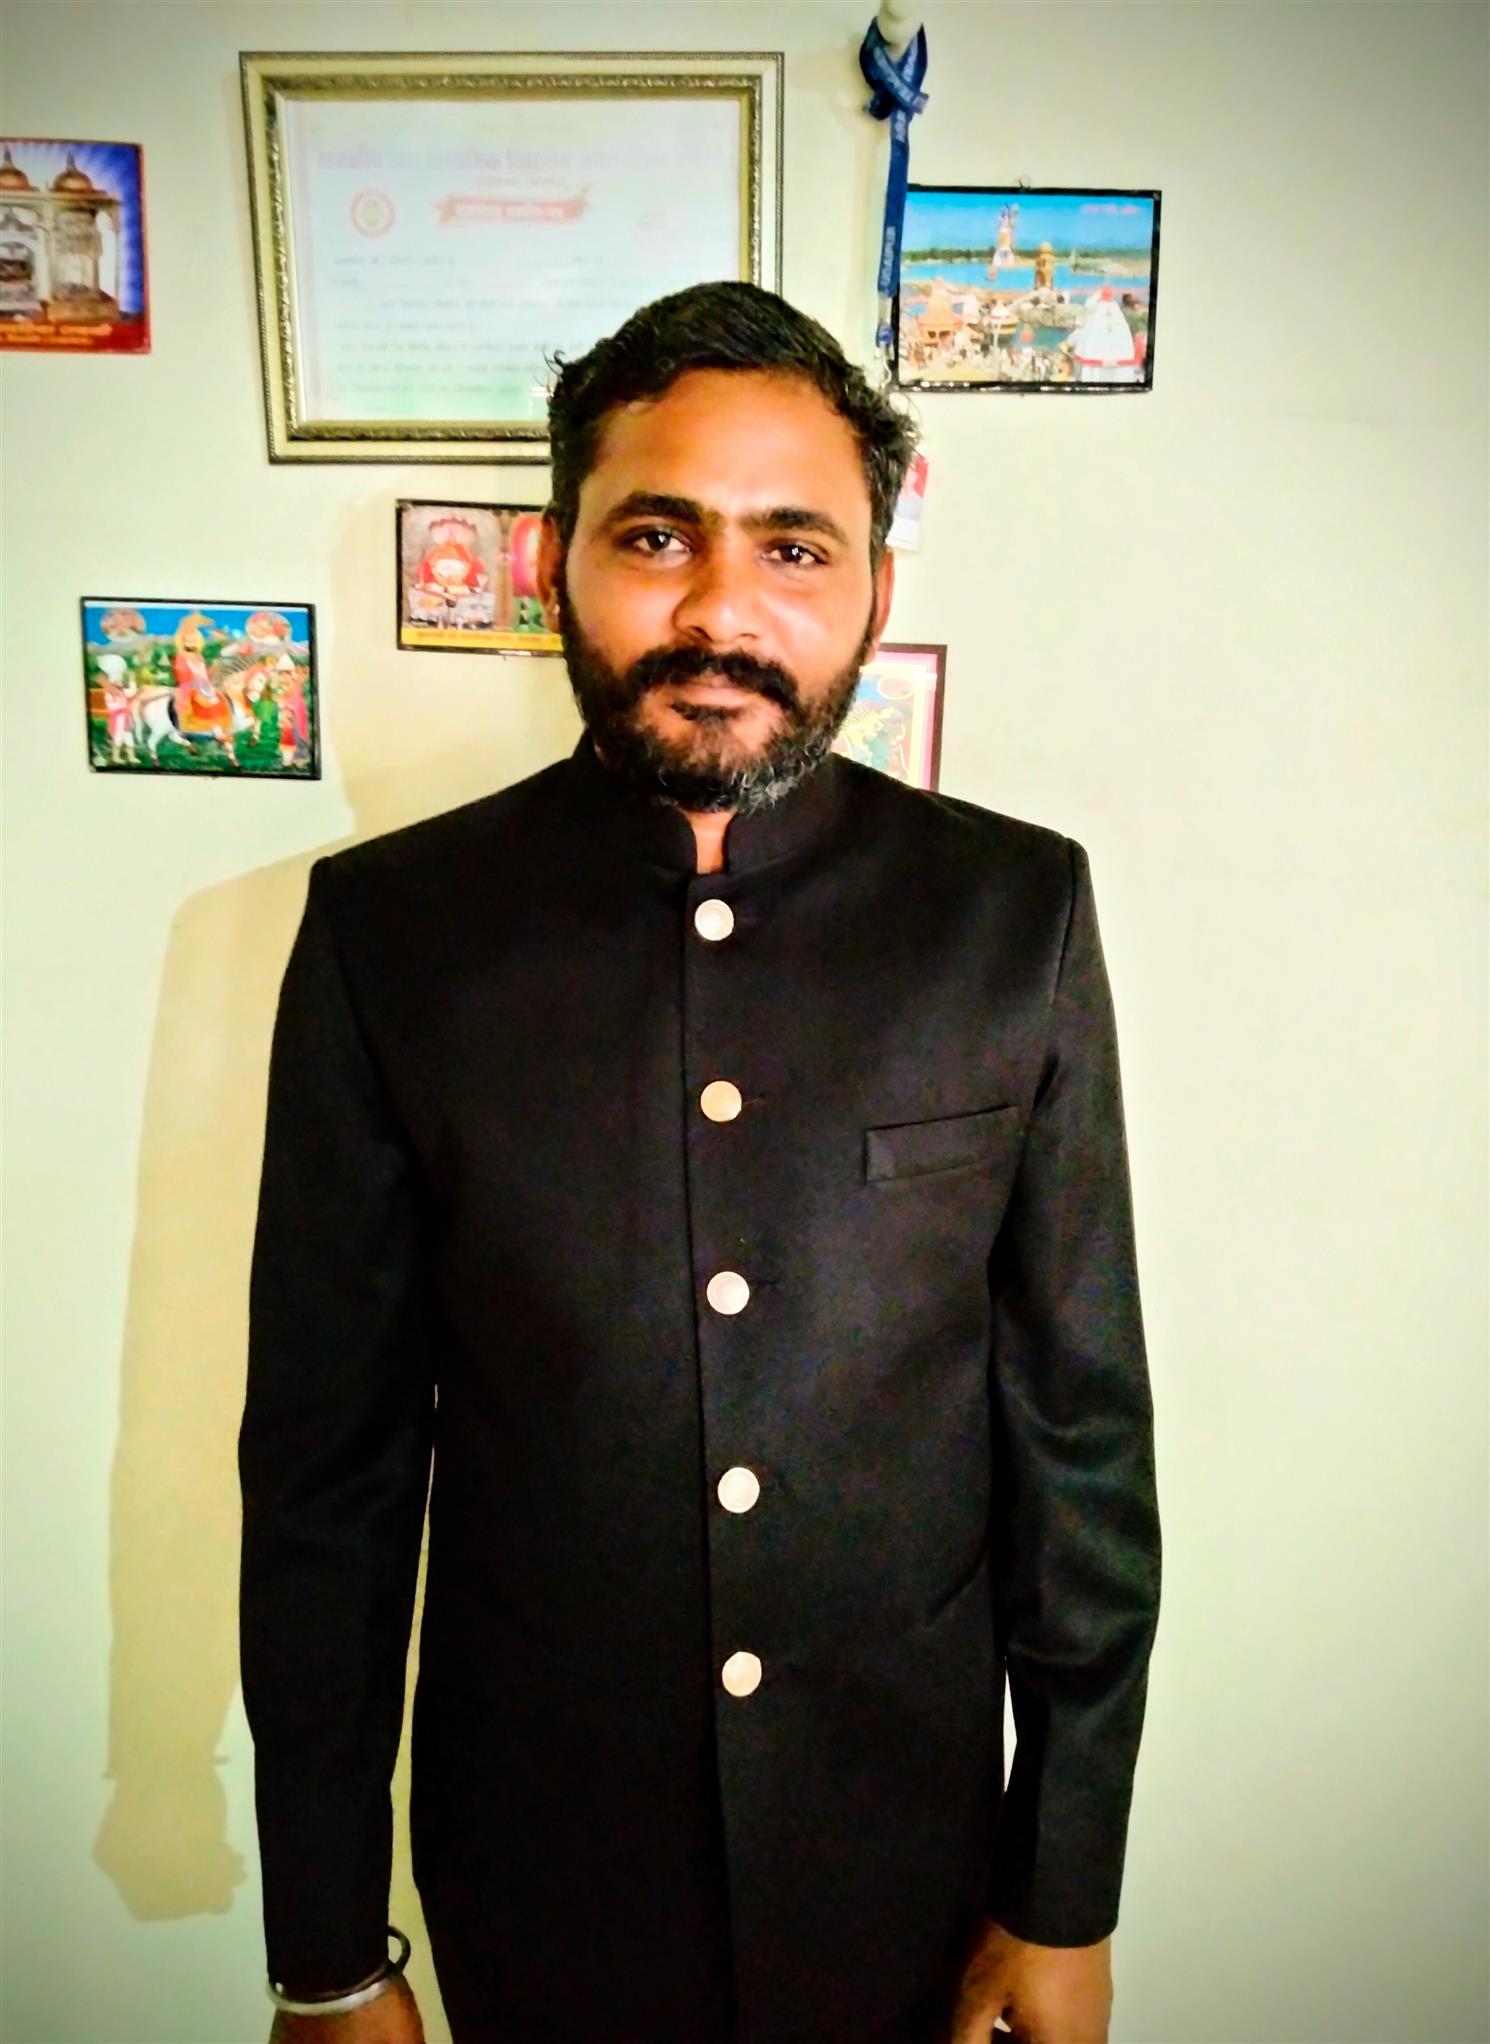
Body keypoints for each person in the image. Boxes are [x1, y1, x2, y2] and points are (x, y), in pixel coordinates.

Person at [240, 280, 1161, 2044]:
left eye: (794, 549)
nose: (721, 611)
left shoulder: (1009, 915)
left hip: (906, 1862)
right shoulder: (391, 934)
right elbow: (326, 1484)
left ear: (876, 587)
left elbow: (1079, 1446)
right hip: (536, 1869)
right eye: (656, 536)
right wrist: (331, 1949)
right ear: (554, 564)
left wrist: (1065, 1890)